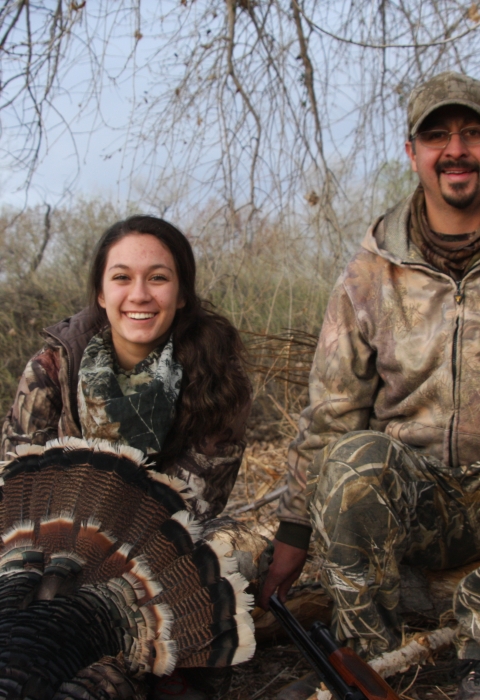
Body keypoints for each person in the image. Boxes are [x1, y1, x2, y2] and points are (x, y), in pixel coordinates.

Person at [260, 71, 480, 700]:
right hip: (420, 500)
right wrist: (292, 537)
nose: (456, 150)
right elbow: (331, 414)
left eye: (471, 133)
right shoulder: (370, 271)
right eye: (437, 137)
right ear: (413, 155)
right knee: (356, 458)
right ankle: (377, 668)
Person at [1, 215, 268, 700]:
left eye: (158, 278)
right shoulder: (52, 369)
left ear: (182, 293)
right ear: (101, 294)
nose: (139, 294)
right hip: (42, 556)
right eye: (122, 277)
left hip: (143, 571)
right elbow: (14, 487)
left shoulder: (217, 378)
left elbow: (191, 510)